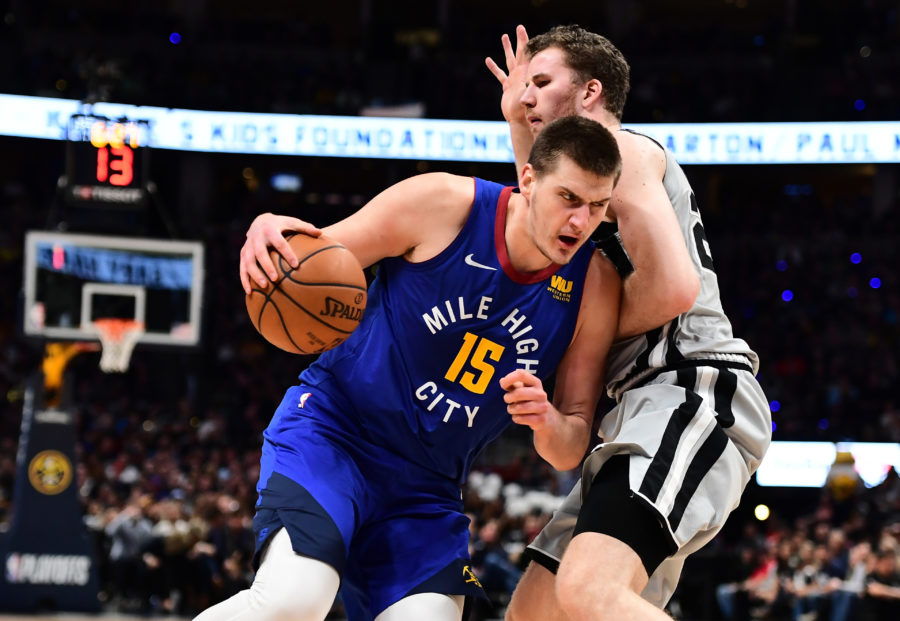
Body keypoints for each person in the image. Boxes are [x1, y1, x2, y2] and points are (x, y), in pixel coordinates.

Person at [194, 116, 625, 621]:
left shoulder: (594, 282)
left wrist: (545, 420)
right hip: (336, 433)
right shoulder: (443, 205)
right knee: (293, 600)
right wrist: (267, 228)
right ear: (528, 180)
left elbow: (571, 442)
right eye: (569, 198)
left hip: (427, 488)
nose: (580, 221)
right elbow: (312, 262)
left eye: (597, 206)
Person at [486, 24, 772, 619]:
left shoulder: (627, 151)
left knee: (588, 592)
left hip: (688, 386)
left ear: (590, 93)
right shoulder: (582, 182)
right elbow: (544, 199)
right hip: (637, 408)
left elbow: (672, 288)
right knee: (535, 611)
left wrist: (579, 330)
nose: (528, 95)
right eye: (525, 86)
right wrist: (516, 121)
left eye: (542, 83)